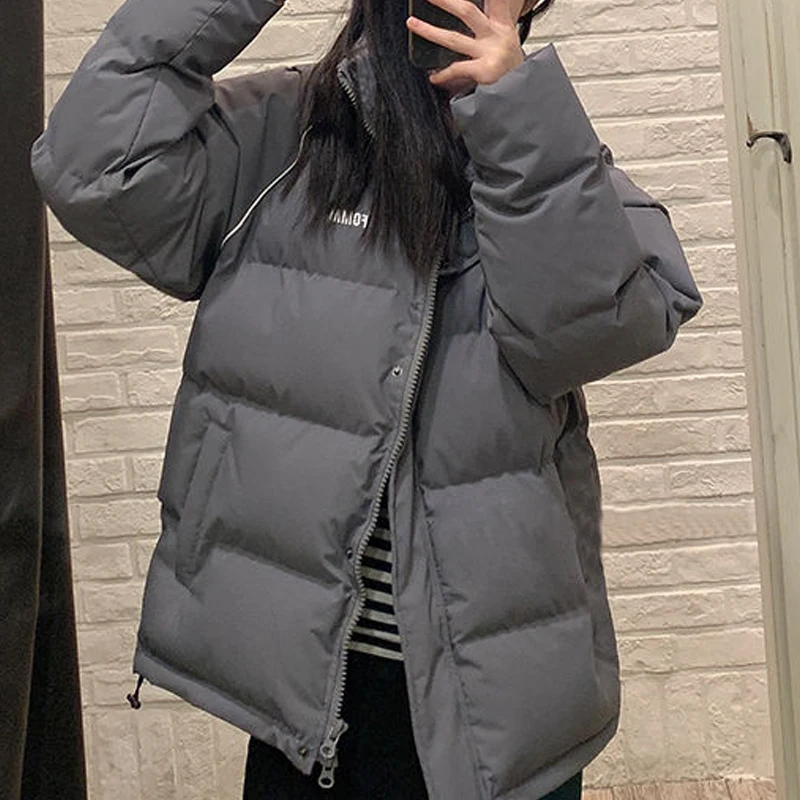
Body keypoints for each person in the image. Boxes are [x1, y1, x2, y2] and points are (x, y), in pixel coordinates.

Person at [30, 0, 703, 795]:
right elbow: (92, 167)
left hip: (498, 695)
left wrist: (516, 115)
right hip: (309, 694)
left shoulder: (550, 151)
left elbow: (595, 332)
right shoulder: (287, 136)